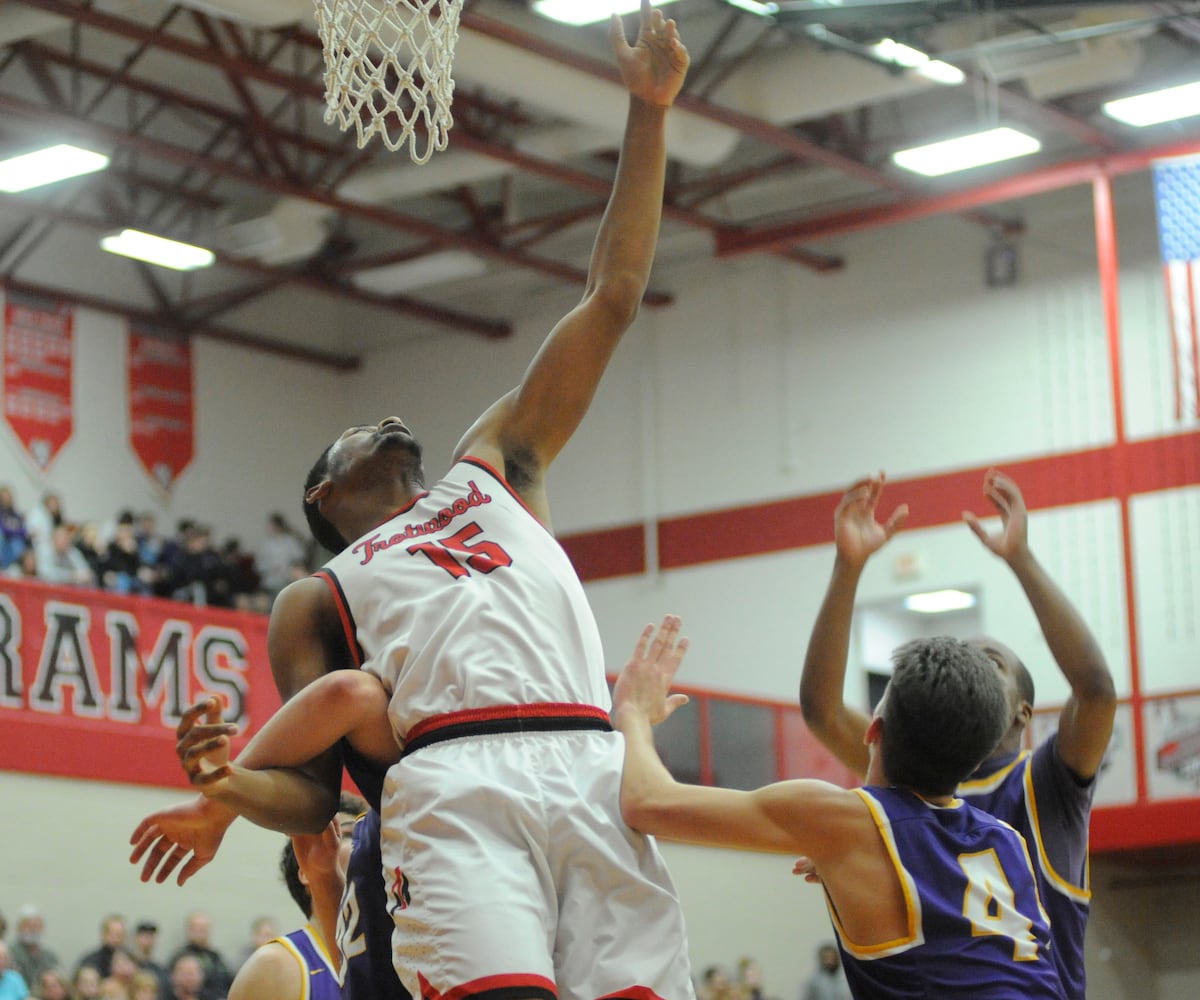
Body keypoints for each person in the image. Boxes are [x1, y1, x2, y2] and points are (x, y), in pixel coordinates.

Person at [129, 6, 692, 998]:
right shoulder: (317, 594)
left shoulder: (498, 465)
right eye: (355, 431)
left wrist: (648, 116)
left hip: (589, 762)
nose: (387, 416)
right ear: (323, 492)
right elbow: (309, 801)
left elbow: (611, 294)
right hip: (453, 788)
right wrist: (223, 789)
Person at [613, 617, 1066, 1000]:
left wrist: (633, 712)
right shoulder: (1008, 842)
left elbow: (647, 802)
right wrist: (848, 863)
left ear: (873, 729)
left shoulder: (844, 820)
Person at [798, 470, 1116, 1000]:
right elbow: (821, 710)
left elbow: (1097, 690)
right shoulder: (908, 769)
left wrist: (1020, 559)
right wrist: (848, 567)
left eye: (989, 662)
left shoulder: (1044, 783)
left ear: (1021, 713)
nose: (969, 667)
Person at [227, 793, 363, 1000]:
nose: (368, 847)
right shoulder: (275, 968)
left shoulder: (401, 954)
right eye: (349, 835)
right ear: (306, 870)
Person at [166, 915, 230, 1000]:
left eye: (204, 929)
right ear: (189, 930)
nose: (200, 932)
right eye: (197, 928)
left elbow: (227, 980)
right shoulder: (180, 956)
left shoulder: (215, 956)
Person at [8, 907, 60, 990]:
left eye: (37, 926)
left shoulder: (50, 956)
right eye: (28, 925)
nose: (33, 929)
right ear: (18, 928)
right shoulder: (9, 953)